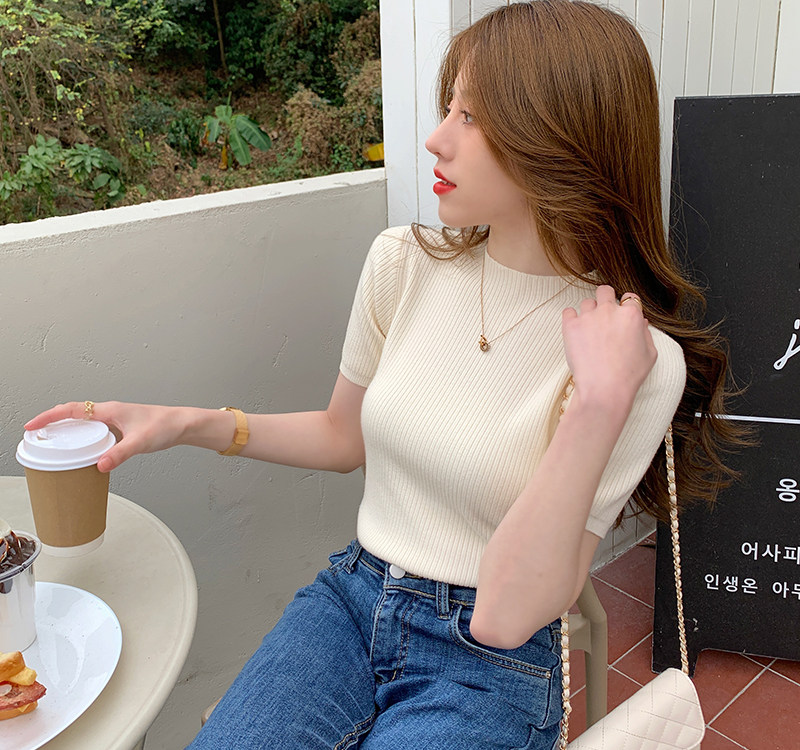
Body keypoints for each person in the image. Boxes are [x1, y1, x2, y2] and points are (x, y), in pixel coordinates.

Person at [26, 2, 746, 748]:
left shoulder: (633, 360)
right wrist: (182, 423)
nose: (437, 138)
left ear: (561, 138)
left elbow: (505, 617)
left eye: (472, 117)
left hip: (487, 663)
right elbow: (343, 437)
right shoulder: (403, 265)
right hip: (352, 598)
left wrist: (596, 403)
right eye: (448, 108)